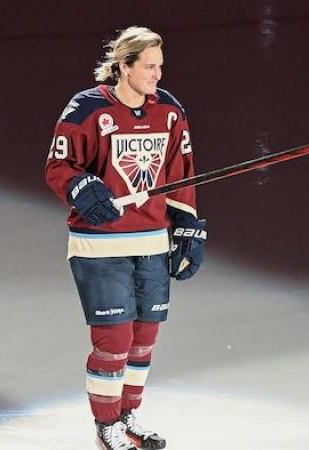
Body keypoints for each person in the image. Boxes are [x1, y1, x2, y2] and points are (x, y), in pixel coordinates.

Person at [45, 26, 207, 450]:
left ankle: (128, 416)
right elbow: (59, 167)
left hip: (151, 241)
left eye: (160, 66)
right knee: (114, 339)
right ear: (124, 65)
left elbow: (179, 173)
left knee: (144, 338)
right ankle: (106, 425)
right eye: (149, 66)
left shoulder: (170, 112)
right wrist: (81, 187)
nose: (157, 75)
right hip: (101, 245)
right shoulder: (86, 109)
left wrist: (187, 226)